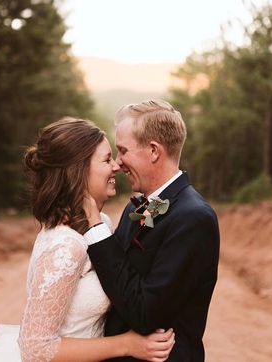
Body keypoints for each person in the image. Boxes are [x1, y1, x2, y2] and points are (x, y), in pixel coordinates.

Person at [0, 117, 175, 362]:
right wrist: (126, 344)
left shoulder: (99, 223)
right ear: (78, 171)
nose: (116, 166)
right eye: (106, 159)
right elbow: (35, 348)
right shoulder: (66, 245)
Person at [84, 100, 220, 361]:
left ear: (154, 151)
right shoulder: (141, 206)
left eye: (123, 150)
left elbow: (144, 314)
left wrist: (96, 228)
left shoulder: (194, 218)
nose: (119, 163)